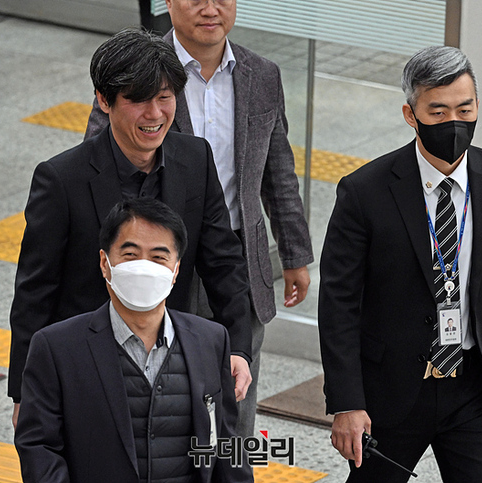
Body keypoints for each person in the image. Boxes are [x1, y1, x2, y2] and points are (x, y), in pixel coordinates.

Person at [85, 0, 314, 438]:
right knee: (165, 398)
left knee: (237, 393)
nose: (210, 8)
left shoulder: (262, 74)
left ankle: (233, 465)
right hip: (161, 260)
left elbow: (278, 170)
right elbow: (99, 167)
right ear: (168, 2)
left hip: (236, 259)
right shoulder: (137, 71)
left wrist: (295, 253)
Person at [9, 28, 253, 428]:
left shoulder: (195, 160)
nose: (154, 114)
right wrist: (25, 391)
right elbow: (35, 292)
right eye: (138, 100)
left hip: (172, 367)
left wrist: (238, 348)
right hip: (86, 368)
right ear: (104, 101)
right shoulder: (62, 179)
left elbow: (223, 262)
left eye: (164, 98)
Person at [318, 46, 482, 482]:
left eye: (465, 109)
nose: (454, 122)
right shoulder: (365, 191)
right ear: (410, 114)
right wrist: (346, 401)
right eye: (438, 112)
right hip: (391, 390)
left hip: (473, 385)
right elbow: (339, 303)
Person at [15, 198, 253, 483]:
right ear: (105, 263)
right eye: (130, 254)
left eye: (158, 257)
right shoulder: (57, 348)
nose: (143, 267)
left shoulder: (210, 340)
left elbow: (227, 444)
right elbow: (39, 448)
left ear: (176, 270)